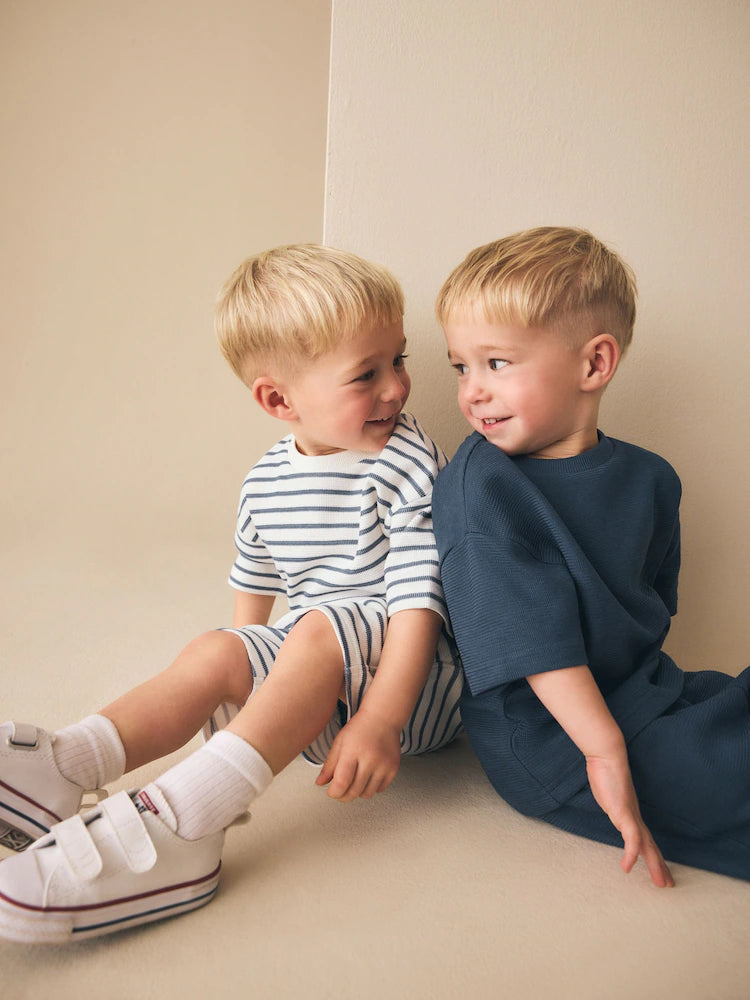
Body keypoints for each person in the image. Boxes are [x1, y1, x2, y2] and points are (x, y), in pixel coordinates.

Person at [0, 245, 462, 943]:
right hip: (319, 697)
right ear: (279, 400)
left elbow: (419, 599)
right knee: (216, 647)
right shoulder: (265, 483)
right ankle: (70, 764)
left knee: (315, 630)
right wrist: (241, 679)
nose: (397, 387)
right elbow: (255, 595)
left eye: (397, 359)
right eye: (367, 374)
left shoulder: (405, 459)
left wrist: (383, 718)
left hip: (419, 686)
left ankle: (190, 820)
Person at [431, 226, 750, 888]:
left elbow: (653, 607)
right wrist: (605, 752)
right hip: (557, 740)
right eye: (461, 365)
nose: (472, 390)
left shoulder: (650, 478)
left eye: (496, 363)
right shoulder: (482, 485)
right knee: (726, 770)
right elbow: (530, 644)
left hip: (648, 693)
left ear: (594, 364)